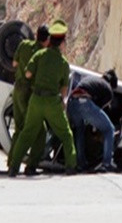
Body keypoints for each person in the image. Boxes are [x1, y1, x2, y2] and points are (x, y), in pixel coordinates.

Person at [8, 20, 77, 177]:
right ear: (61, 43)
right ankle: (71, 166)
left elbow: (27, 74)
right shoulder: (63, 63)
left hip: (36, 100)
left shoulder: (39, 55)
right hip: (52, 101)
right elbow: (64, 88)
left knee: (26, 133)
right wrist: (63, 102)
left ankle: (13, 167)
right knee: (66, 134)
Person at [7, 25, 49, 173]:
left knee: (19, 127)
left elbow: (14, 64)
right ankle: (31, 166)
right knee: (40, 131)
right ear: (47, 40)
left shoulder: (23, 45)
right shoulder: (43, 54)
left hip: (17, 90)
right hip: (29, 93)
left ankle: (11, 162)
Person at [68, 69, 118, 173]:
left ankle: (81, 164)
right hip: (85, 103)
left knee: (79, 130)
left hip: (72, 103)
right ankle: (107, 163)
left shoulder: (91, 79)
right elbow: (98, 108)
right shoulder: (108, 90)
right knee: (109, 129)